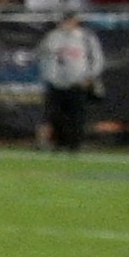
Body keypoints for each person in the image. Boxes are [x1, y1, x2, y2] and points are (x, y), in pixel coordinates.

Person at [36, 10, 105, 154]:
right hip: (56, 81)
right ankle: (59, 143)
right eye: (64, 20)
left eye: (69, 20)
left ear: (76, 21)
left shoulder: (85, 37)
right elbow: (42, 55)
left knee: (76, 115)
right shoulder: (53, 37)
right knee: (56, 114)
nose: (66, 23)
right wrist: (48, 75)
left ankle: (75, 144)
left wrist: (89, 77)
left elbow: (97, 59)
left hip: (77, 82)